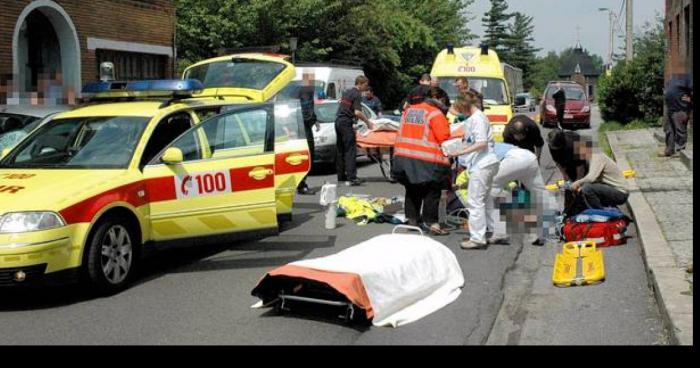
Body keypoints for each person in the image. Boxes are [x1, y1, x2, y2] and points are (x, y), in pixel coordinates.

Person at [391, 85, 452, 236]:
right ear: (436, 99)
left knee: (412, 189)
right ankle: (432, 223)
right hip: (427, 159)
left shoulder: (408, 111)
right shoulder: (434, 113)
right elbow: (444, 137)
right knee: (432, 191)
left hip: (403, 157)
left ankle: (412, 221)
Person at [447, 92, 500, 249]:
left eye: (460, 108)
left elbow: (481, 143)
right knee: (487, 200)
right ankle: (497, 231)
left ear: (465, 105)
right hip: (487, 162)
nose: (459, 112)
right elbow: (473, 141)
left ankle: (477, 238)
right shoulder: (476, 118)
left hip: (483, 163)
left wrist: (459, 152)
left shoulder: (477, 119)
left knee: (475, 201)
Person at [487, 142, 557, 246]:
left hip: (511, 161)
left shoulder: (469, 153)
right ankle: (551, 228)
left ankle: (499, 233)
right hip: (529, 157)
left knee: (489, 193)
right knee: (540, 192)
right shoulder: (491, 143)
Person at [569, 137, 629, 216]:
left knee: (587, 189)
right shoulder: (593, 158)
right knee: (586, 190)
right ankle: (608, 211)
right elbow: (596, 179)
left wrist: (578, 183)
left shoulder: (597, 156)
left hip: (620, 192)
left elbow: (591, 178)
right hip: (613, 189)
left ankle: (601, 214)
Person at [335, 76, 374, 186]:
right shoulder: (357, 94)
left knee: (340, 149)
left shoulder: (347, 92)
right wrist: (368, 122)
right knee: (350, 150)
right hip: (345, 122)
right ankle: (352, 177)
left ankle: (341, 176)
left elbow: (344, 107)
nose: (366, 88)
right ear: (360, 84)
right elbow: (357, 112)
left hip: (338, 121)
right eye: (366, 85)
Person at [547, 129, 588, 215]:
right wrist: (566, 176)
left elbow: (580, 166)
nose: (550, 146)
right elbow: (558, 162)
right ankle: (568, 212)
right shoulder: (551, 143)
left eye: (552, 146)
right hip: (568, 163)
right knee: (569, 190)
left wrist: (578, 182)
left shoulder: (575, 145)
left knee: (581, 190)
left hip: (581, 162)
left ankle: (585, 210)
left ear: (560, 145)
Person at [296, 72, 321, 195]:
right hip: (303, 127)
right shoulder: (306, 91)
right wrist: (311, 120)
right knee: (308, 154)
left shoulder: (301, 90)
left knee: (303, 155)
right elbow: (306, 108)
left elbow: (309, 107)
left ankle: (300, 184)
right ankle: (302, 185)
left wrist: (315, 120)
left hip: (301, 126)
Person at [660, 80, 693, 157]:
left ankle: (680, 151)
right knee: (669, 130)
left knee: (680, 130)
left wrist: (690, 99)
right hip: (670, 108)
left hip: (681, 108)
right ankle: (669, 150)